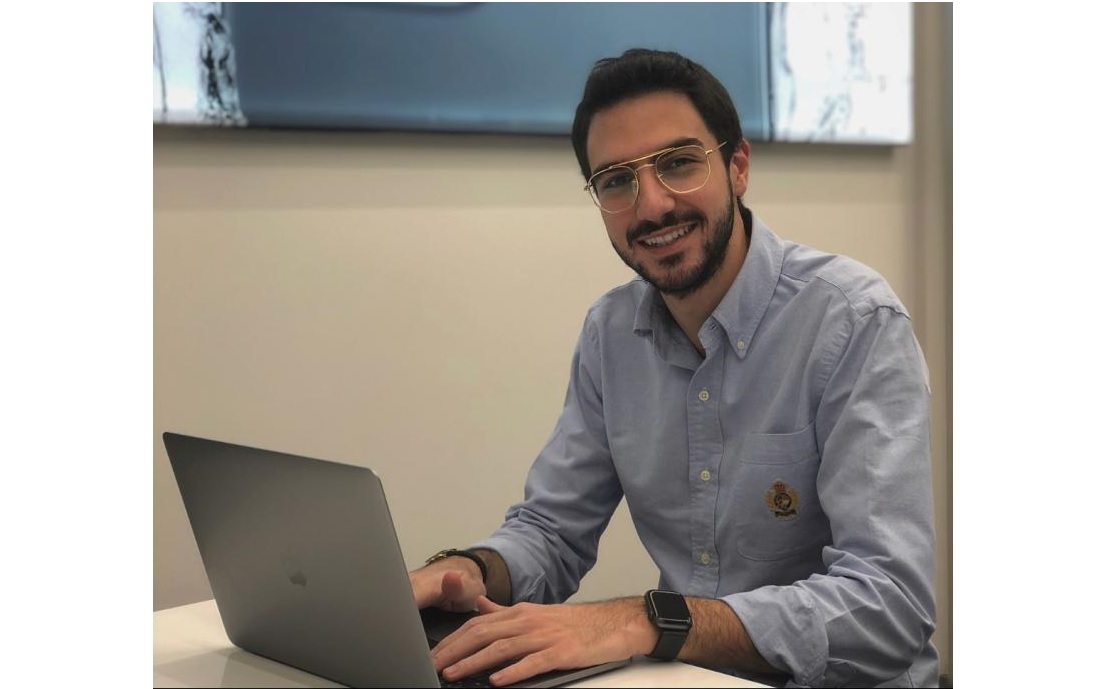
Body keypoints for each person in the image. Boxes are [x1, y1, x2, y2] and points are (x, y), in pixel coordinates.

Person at [410, 48, 938, 688]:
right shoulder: (611, 334)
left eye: (679, 164)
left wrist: (650, 620)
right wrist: (467, 571)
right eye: (616, 181)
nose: (652, 205)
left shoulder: (854, 322)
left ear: (737, 166)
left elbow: (889, 606)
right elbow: (552, 531)